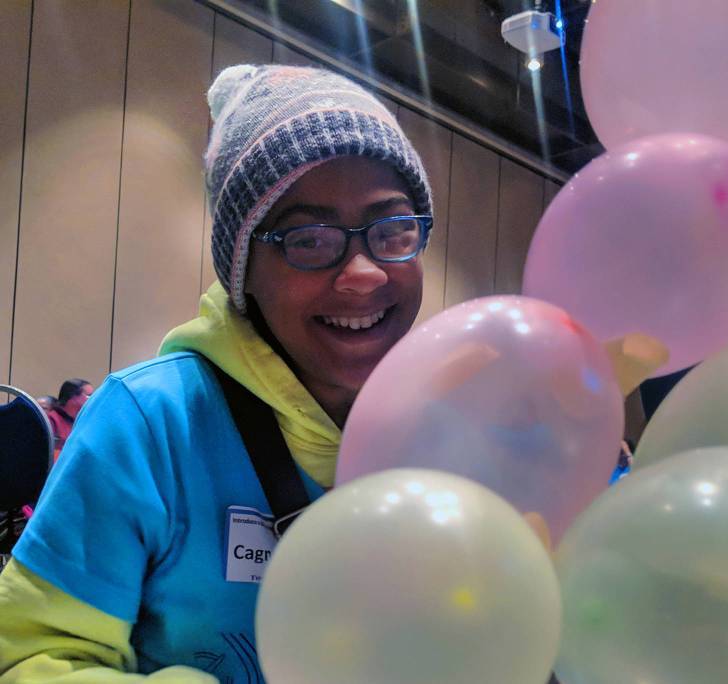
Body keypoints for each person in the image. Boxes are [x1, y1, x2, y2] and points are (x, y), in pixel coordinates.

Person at [0, 64, 432, 683]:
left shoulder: (450, 427)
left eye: (392, 230)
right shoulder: (149, 424)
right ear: (242, 268)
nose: (363, 273)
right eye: (309, 239)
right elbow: (29, 658)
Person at [44, 379, 93, 455]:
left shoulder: (84, 422)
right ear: (73, 396)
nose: (93, 399)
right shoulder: (51, 420)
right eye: (89, 396)